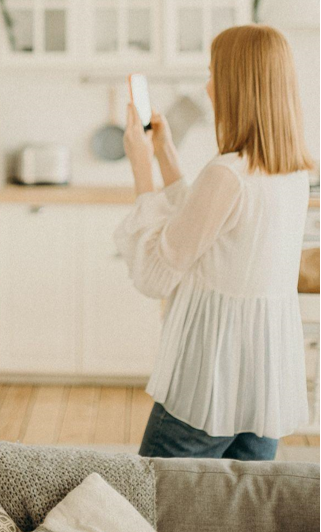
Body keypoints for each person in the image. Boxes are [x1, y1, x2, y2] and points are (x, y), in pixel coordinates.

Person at [116, 25, 314, 460]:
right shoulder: (291, 173)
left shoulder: (226, 173)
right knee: (239, 513)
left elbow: (154, 274)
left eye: (213, 72)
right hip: (264, 380)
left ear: (236, 84)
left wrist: (141, 168)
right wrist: (166, 153)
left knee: (155, 505)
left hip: (208, 377)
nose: (207, 85)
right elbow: (205, 226)